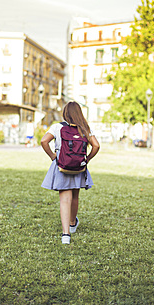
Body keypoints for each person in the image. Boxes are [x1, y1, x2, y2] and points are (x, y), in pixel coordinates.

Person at [41, 101, 100, 244]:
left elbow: (44, 141)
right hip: (79, 167)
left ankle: (66, 235)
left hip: (62, 166)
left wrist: (52, 156)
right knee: (74, 197)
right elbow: (96, 145)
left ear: (65, 113)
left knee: (65, 199)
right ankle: (72, 224)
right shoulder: (84, 129)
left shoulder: (57, 127)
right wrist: (87, 159)